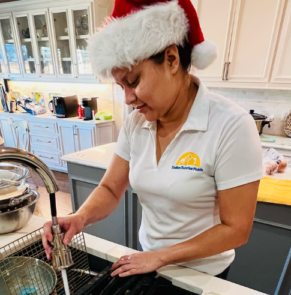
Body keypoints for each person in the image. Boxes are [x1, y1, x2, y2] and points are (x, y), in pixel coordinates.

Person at [42, 0, 263, 280]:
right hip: (147, 261)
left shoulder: (232, 126)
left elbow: (236, 229)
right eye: (120, 86)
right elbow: (111, 188)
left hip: (203, 274)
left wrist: (161, 257)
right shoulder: (137, 122)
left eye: (133, 82)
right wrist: (79, 217)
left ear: (171, 59)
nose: (128, 98)